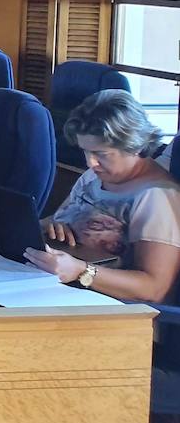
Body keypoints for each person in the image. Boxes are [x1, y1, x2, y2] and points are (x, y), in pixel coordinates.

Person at [27, 90, 180, 303]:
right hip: (55, 286)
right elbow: (57, 219)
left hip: (107, 307)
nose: (90, 162)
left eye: (101, 154)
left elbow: (154, 288)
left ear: (134, 146)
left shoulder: (156, 197)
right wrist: (49, 227)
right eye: (86, 151)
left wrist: (81, 271)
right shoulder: (94, 176)